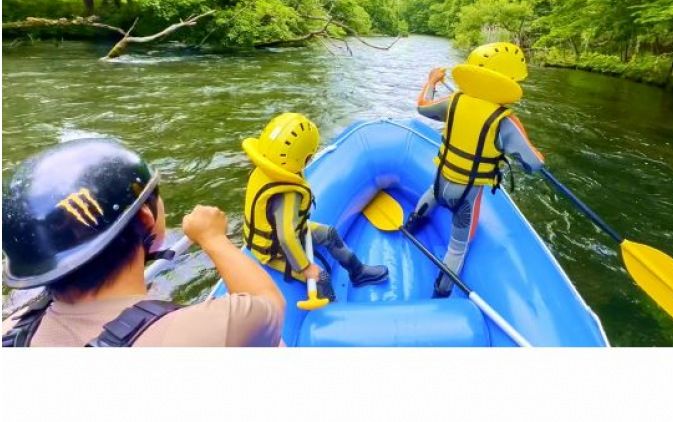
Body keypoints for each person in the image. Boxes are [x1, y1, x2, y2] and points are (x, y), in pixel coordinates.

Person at [2, 138, 286, 347]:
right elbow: (269, 304)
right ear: (146, 216)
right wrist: (214, 239)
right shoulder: (208, 330)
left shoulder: (12, 329)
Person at [406, 41, 546, 298]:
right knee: (458, 247)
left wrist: (432, 81)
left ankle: (411, 225)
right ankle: (442, 290)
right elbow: (533, 164)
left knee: (433, 193)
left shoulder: (453, 101)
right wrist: (535, 152)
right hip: (466, 195)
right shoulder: (505, 121)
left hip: (440, 180)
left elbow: (422, 105)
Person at [241, 112, 388, 301]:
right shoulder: (288, 194)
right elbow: (286, 237)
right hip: (273, 250)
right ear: (305, 157)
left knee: (330, 234)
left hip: (291, 231)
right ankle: (330, 309)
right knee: (321, 278)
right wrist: (306, 267)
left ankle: (358, 272)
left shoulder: (265, 168)